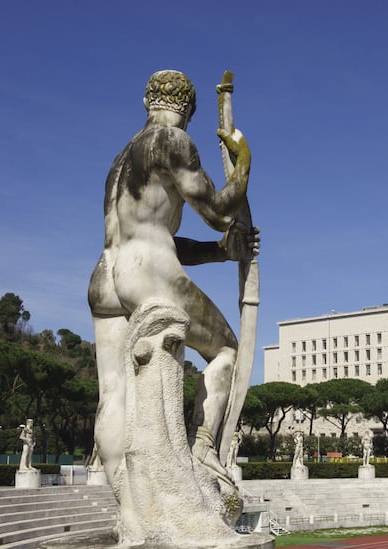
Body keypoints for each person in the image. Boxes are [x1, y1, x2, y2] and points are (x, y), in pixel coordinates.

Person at [88, 70, 258, 490]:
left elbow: (159, 235)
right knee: (225, 350)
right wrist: (244, 164)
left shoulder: (120, 162)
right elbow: (219, 210)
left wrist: (220, 251)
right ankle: (202, 445)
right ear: (189, 111)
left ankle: (129, 504)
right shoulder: (172, 141)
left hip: (105, 277)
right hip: (148, 272)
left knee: (113, 393)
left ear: (148, 103)